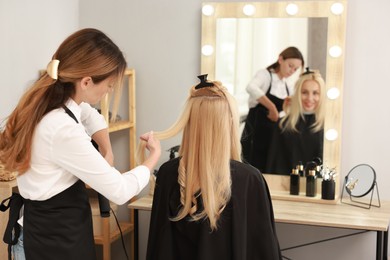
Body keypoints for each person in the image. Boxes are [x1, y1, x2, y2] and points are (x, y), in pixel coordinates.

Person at [0, 28, 161, 260]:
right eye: (109, 85)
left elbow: (90, 115)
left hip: (45, 233)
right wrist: (152, 158)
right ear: (86, 81)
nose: (109, 91)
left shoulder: (51, 102)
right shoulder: (62, 129)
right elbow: (120, 190)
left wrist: (107, 150)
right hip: (52, 245)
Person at [140, 75, 282, 260]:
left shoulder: (168, 173)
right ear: (229, 123)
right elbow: (264, 251)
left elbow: (159, 247)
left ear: (189, 122)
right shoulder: (249, 179)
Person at [241, 46, 304, 172]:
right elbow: (251, 87)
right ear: (280, 59)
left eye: (295, 69)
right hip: (255, 132)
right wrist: (272, 107)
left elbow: (283, 114)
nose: (292, 71)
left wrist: (286, 106)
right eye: (290, 65)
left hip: (273, 136)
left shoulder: (287, 85)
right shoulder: (265, 75)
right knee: (253, 168)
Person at [266, 69, 326, 175]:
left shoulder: (329, 128)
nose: (310, 98)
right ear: (297, 94)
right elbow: (273, 164)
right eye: (304, 92)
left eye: (315, 93)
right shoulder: (283, 125)